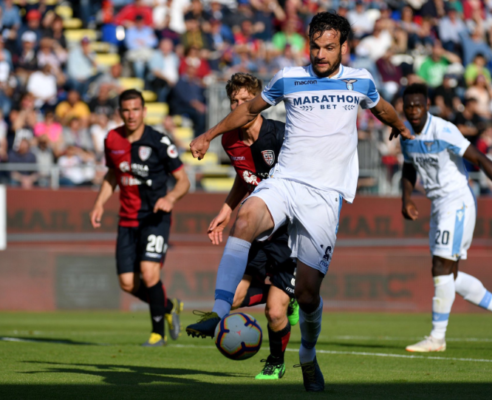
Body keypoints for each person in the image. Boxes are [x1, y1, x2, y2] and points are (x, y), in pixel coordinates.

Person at [186, 12, 412, 392]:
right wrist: (208, 135)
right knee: (246, 217)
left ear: (344, 47)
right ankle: (220, 312)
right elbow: (248, 110)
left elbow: (381, 107)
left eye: (329, 47)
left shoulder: (360, 80)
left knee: (307, 295)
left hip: (324, 196)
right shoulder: (288, 77)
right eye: (315, 46)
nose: (320, 54)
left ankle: (307, 355)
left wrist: (400, 125)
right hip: (285, 181)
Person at [189, 72, 299, 380]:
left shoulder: (280, 135)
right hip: (258, 229)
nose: (239, 106)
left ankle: (276, 361)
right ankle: (281, 293)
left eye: (245, 100)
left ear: (258, 102)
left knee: (274, 312)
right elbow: (245, 176)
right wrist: (226, 209)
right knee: (234, 299)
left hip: (290, 232)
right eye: (234, 101)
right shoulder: (229, 140)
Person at [90, 89, 190, 347]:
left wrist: (170, 198)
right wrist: (99, 203)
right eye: (126, 110)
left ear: (144, 111)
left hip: (155, 218)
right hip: (127, 220)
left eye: (136, 109)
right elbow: (112, 175)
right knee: (127, 283)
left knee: (149, 271)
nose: (131, 115)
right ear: (119, 113)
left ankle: (158, 334)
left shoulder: (159, 141)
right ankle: (169, 306)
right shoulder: (112, 139)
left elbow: (183, 181)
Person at [400, 83, 492, 352]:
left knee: (440, 267)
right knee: (448, 275)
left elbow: (479, 158)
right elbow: (409, 167)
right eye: (409, 106)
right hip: (438, 205)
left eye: (418, 105)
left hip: (457, 201)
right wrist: (406, 199)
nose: (414, 110)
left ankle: (437, 338)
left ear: (427, 106)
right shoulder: (406, 135)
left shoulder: (444, 130)